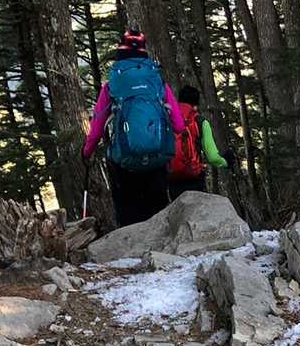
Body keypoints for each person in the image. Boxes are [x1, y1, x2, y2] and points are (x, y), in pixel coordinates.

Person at [82, 28, 183, 228]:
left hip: (124, 163)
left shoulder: (112, 85)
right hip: (157, 160)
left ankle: (132, 246)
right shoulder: (158, 82)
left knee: (129, 217)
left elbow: (97, 128)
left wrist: (86, 152)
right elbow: (179, 125)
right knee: (159, 216)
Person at [167, 85, 228, 203]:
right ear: (195, 105)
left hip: (172, 178)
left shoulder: (169, 119)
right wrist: (226, 162)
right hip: (194, 178)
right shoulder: (200, 121)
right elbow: (213, 157)